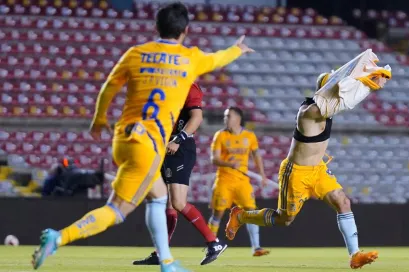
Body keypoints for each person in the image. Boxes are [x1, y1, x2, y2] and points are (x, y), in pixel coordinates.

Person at [31, 2, 254, 271]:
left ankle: (167, 262)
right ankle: (59, 237)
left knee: (159, 198)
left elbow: (109, 87)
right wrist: (237, 49)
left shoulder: (136, 53)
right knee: (117, 210)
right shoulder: (189, 58)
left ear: (155, 27)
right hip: (148, 144)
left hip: (123, 138)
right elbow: (218, 58)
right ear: (185, 30)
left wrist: (99, 118)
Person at [225, 60, 391, 269]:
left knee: (343, 202)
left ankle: (355, 255)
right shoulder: (309, 112)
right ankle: (241, 215)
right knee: (284, 219)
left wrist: (369, 78)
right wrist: (367, 83)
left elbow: (345, 97)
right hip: (296, 173)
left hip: (318, 170)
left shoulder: (327, 107)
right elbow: (343, 101)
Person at [133, 83, 227, 266]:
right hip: (165, 147)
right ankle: (161, 252)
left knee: (177, 202)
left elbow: (197, 117)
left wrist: (178, 138)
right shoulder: (162, 87)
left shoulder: (188, 86)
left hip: (180, 148)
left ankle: (214, 242)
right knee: (164, 202)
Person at [207, 106, 270, 257]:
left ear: (238, 118)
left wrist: (262, 175)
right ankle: (211, 245)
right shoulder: (220, 135)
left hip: (242, 181)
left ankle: (257, 247)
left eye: (228, 116)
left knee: (251, 211)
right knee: (218, 214)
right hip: (224, 179)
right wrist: (229, 164)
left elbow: (256, 156)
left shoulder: (249, 136)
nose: (225, 119)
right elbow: (214, 159)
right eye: (225, 116)